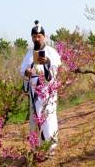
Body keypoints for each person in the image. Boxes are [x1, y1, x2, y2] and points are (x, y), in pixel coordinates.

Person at [20, 20, 62, 155]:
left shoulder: (51, 52)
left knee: (48, 118)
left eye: (39, 36)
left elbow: (55, 71)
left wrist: (47, 63)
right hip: (34, 93)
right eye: (34, 36)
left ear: (44, 36)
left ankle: (50, 149)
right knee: (34, 119)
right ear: (32, 37)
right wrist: (26, 73)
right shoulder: (28, 54)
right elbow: (23, 71)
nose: (37, 38)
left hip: (47, 93)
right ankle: (36, 149)